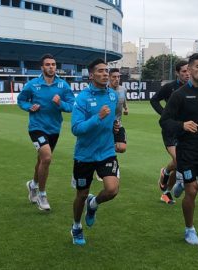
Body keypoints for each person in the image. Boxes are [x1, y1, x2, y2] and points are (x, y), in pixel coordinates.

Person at [159, 53, 198, 245]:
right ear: (190, 69)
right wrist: (182, 126)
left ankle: (183, 183)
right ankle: (189, 230)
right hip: (186, 150)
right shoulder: (179, 95)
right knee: (191, 192)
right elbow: (164, 121)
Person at [70, 59, 120, 245]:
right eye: (100, 71)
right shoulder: (82, 98)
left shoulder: (113, 96)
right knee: (81, 195)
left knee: (112, 189)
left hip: (106, 151)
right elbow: (76, 128)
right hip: (84, 155)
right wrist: (98, 117)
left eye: (106, 70)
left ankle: (93, 204)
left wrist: (115, 128)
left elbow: (114, 120)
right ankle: (76, 226)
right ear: (91, 75)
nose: (105, 74)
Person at [17, 53, 74, 211]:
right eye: (48, 64)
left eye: (53, 64)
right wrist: (29, 107)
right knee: (47, 158)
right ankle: (42, 195)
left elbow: (71, 105)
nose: (51, 67)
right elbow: (21, 100)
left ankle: (33, 185)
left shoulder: (63, 85)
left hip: (54, 128)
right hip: (36, 127)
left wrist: (60, 103)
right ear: (42, 67)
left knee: (41, 160)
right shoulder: (33, 85)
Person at [150, 60, 189, 204]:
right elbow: (154, 100)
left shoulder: (194, 88)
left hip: (186, 131)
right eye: (184, 71)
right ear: (177, 73)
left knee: (178, 161)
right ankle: (169, 175)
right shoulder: (170, 87)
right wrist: (164, 114)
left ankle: (166, 189)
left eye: (188, 71)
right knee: (179, 160)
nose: (187, 74)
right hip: (170, 130)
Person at [109, 68, 128, 153]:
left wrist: (126, 108)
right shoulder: (105, 91)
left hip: (118, 124)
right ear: (109, 78)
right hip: (106, 125)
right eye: (114, 77)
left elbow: (124, 100)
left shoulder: (123, 89)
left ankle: (105, 149)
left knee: (122, 148)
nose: (117, 79)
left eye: (118, 77)